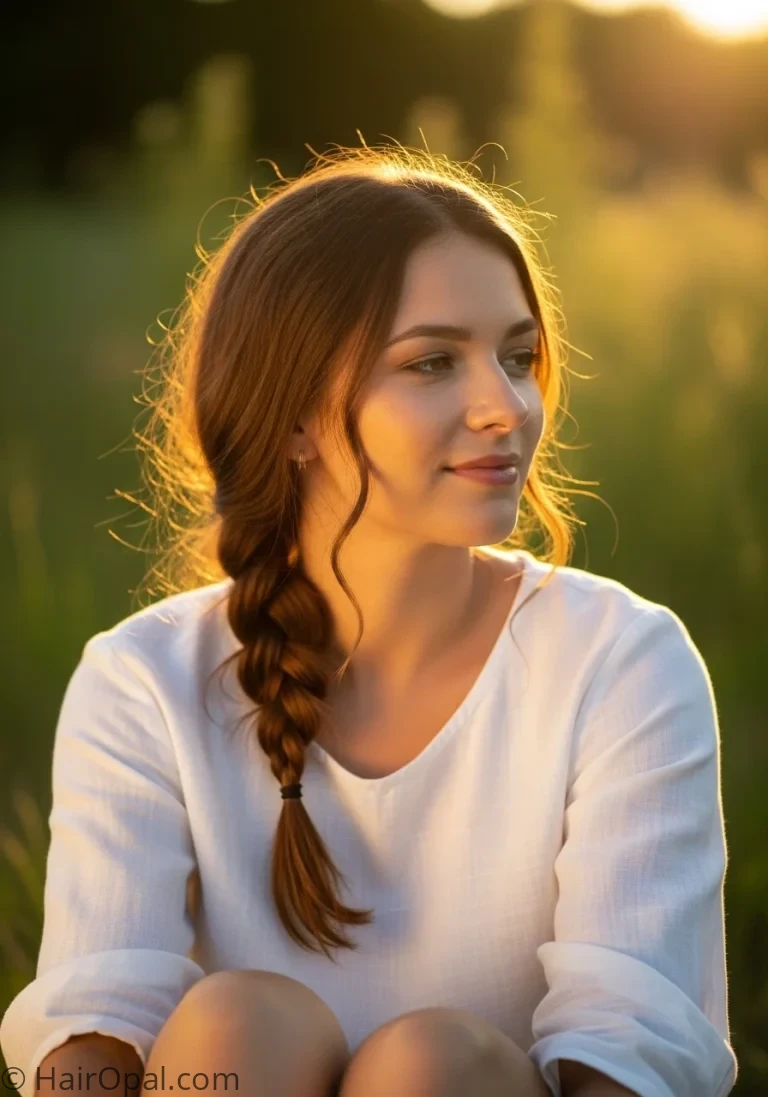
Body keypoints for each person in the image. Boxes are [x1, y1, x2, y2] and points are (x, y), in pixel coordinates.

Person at [0, 145, 737, 1097]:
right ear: (295, 415)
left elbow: (632, 1052)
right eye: (432, 362)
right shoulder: (143, 680)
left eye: (518, 357)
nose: (505, 406)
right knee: (236, 1023)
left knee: (432, 1065)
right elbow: (92, 1040)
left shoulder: (620, 662)